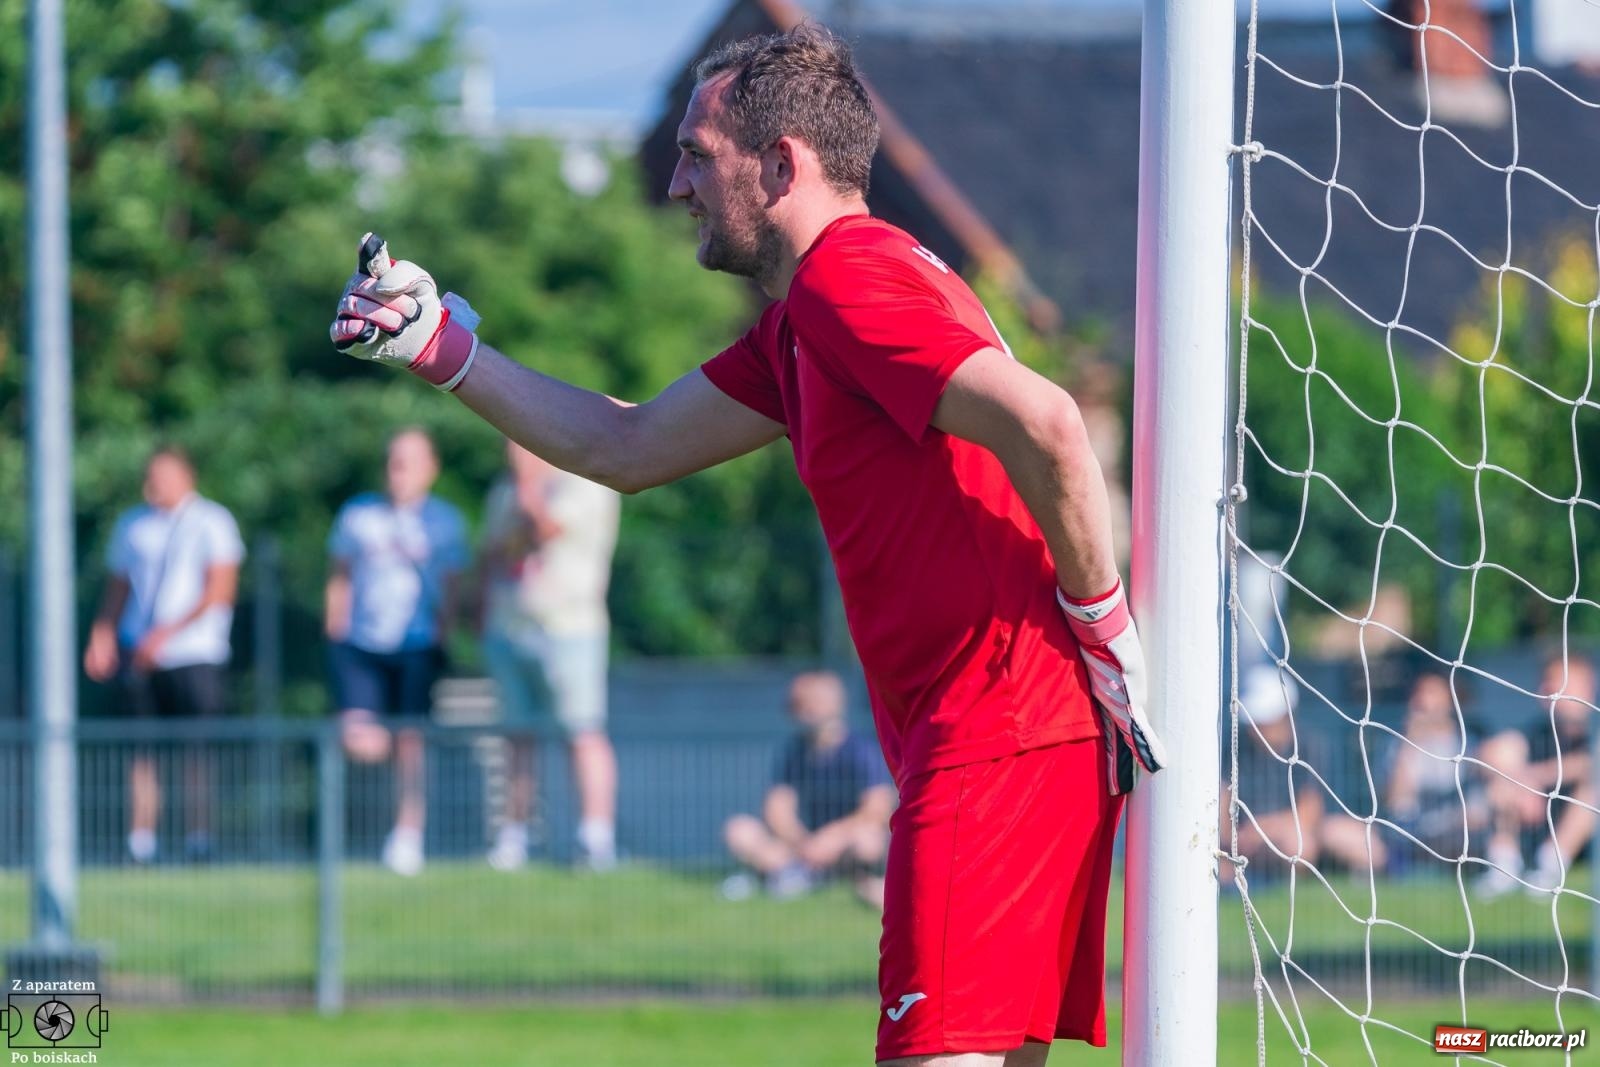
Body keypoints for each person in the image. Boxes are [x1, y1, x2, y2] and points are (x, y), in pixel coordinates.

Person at [328, 25, 1166, 1066]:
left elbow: (1049, 425)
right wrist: (440, 347)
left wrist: (1104, 623)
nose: (675, 180)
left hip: (995, 736)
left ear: (780, 165)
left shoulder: (846, 279)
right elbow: (622, 442)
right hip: (1008, 735)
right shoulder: (805, 320)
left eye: (696, 153)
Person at [84, 446, 244, 863]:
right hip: (140, 654)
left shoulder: (212, 521)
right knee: (142, 750)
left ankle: (199, 840)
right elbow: (118, 587)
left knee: (197, 750)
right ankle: (141, 843)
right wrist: (102, 635)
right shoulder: (132, 524)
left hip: (194, 653)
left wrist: (166, 635)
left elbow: (220, 590)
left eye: (162, 476)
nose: (152, 485)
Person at [325, 427, 468, 876]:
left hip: (417, 645)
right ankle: (346, 833)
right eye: (392, 461)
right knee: (359, 740)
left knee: (411, 742)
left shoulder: (444, 522)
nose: (397, 472)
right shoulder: (358, 516)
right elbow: (340, 578)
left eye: (407, 462)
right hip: (362, 644)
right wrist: (335, 635)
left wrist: (445, 636)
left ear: (430, 469)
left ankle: (406, 835)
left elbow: (453, 588)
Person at [480, 439, 622, 871]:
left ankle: (595, 839)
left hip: (570, 629)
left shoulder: (584, 483)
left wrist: (527, 482)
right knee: (516, 737)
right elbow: (490, 553)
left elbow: (543, 529)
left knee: (582, 733)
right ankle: (514, 836)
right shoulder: (502, 490)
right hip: (510, 628)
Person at [721, 671, 894, 908]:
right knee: (739, 830)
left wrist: (831, 838)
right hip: (802, 845)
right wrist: (803, 842)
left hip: (843, 843)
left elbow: (877, 809)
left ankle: (818, 877)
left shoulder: (861, 751)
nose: (793, 711)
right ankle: (798, 874)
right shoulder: (795, 750)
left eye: (801, 704)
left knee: (868, 841)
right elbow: (777, 807)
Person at [1476, 654, 1597, 896]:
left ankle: (1551, 866)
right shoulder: (1539, 731)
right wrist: (1517, 783)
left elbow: (1590, 763)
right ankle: (1504, 866)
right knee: (1501, 777)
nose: (1546, 689)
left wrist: (1533, 778)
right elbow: (1491, 752)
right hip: (1536, 822)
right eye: (1546, 681)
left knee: (1594, 789)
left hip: (1587, 833)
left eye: (1558, 681)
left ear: (1587, 686)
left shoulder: (1594, 727)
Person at [1378, 670, 1487, 875]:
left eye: (1430, 692)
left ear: (1450, 699)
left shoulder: (1468, 743)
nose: (1421, 700)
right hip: (1416, 832)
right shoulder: (1397, 746)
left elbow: (1478, 802)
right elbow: (1396, 802)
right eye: (1417, 693)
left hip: (1464, 827)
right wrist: (1410, 742)